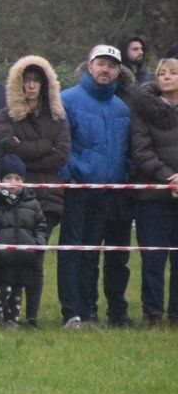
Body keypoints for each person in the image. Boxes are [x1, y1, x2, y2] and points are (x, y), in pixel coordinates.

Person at [59, 43, 135, 328]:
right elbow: (63, 145)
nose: (105, 70)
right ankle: (72, 311)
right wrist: (72, 176)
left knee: (94, 254)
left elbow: (126, 151)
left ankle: (90, 310)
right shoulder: (67, 99)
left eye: (112, 66)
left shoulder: (121, 108)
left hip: (111, 193)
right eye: (100, 64)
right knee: (73, 252)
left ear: (118, 71)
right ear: (89, 66)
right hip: (79, 189)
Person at [0, 54, 71, 251]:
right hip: (12, 196)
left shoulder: (57, 117)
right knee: (8, 255)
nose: (31, 85)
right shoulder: (6, 115)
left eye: (37, 80)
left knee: (36, 255)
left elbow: (61, 157)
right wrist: (46, 146)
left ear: (45, 84)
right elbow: (7, 148)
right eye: (26, 80)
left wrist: (23, 153)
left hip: (48, 199)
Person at [129, 56, 178, 325]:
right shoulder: (144, 110)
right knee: (153, 259)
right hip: (153, 197)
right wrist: (169, 176)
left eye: (173, 72)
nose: (166, 77)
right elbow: (141, 150)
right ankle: (153, 314)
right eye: (161, 73)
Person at [0, 178, 48, 326]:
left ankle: (12, 320)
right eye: (8, 178)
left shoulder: (32, 203)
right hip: (1, 257)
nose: (13, 182)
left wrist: (38, 244)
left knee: (17, 290)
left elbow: (41, 227)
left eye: (17, 178)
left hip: (25, 256)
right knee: (5, 289)